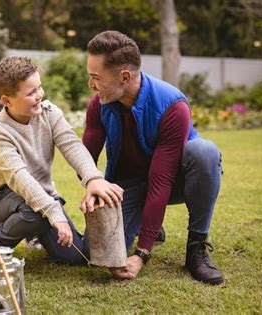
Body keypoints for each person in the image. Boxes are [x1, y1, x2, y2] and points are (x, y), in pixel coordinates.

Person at [82, 30, 224, 285]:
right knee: (94, 249)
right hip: (130, 184)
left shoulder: (172, 105)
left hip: (176, 180)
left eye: (95, 78)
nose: (91, 84)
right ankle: (149, 226)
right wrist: (92, 184)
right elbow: (85, 157)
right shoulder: (100, 104)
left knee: (204, 152)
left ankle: (196, 248)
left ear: (124, 77)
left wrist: (141, 254)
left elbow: (161, 182)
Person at [0, 56, 131, 278]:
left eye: (39, 87)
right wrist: (54, 213)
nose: (39, 95)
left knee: (73, 258)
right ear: (7, 100)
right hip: (4, 196)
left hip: (41, 197)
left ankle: (35, 232)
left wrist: (93, 178)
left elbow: (73, 146)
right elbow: (20, 178)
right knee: (39, 214)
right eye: (31, 92)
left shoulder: (50, 113)